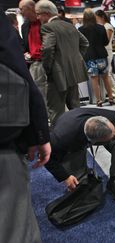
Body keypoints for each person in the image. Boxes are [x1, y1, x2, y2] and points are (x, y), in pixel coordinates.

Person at [0, 10, 51, 243]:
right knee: (15, 229)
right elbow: (15, 68)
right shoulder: (24, 29)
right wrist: (37, 133)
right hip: (4, 144)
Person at [36, 0, 89, 126]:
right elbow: (85, 43)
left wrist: (48, 68)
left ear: (46, 13)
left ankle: (60, 142)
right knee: (76, 110)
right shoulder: (69, 25)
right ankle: (81, 140)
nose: (37, 17)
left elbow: (48, 49)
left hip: (57, 76)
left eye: (38, 14)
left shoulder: (47, 27)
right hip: (73, 74)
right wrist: (75, 60)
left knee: (56, 112)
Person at [79, 8, 115, 107]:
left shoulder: (81, 30)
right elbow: (106, 42)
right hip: (102, 56)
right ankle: (111, 98)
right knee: (105, 78)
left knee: (94, 79)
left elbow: (80, 44)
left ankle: (98, 100)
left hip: (89, 57)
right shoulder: (101, 27)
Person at [19, 0, 47, 102]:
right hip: (34, 64)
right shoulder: (25, 26)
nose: (20, 12)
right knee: (39, 93)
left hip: (49, 61)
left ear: (30, 8)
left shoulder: (45, 22)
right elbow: (24, 44)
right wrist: (25, 53)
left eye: (22, 9)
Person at [95, 10, 115, 99]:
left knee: (108, 73)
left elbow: (106, 40)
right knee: (108, 73)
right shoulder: (103, 26)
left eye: (97, 18)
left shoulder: (108, 26)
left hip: (107, 51)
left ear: (102, 17)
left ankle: (114, 92)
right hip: (104, 51)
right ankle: (113, 91)